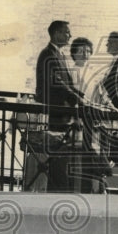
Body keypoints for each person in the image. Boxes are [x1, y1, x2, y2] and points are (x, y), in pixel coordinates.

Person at [34, 20, 86, 191]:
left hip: (62, 114)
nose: (69, 35)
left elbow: (68, 83)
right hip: (54, 114)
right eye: (66, 32)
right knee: (57, 161)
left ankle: (59, 191)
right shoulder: (47, 54)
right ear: (56, 34)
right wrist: (75, 98)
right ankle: (57, 193)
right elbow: (56, 83)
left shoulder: (60, 55)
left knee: (62, 160)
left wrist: (80, 96)